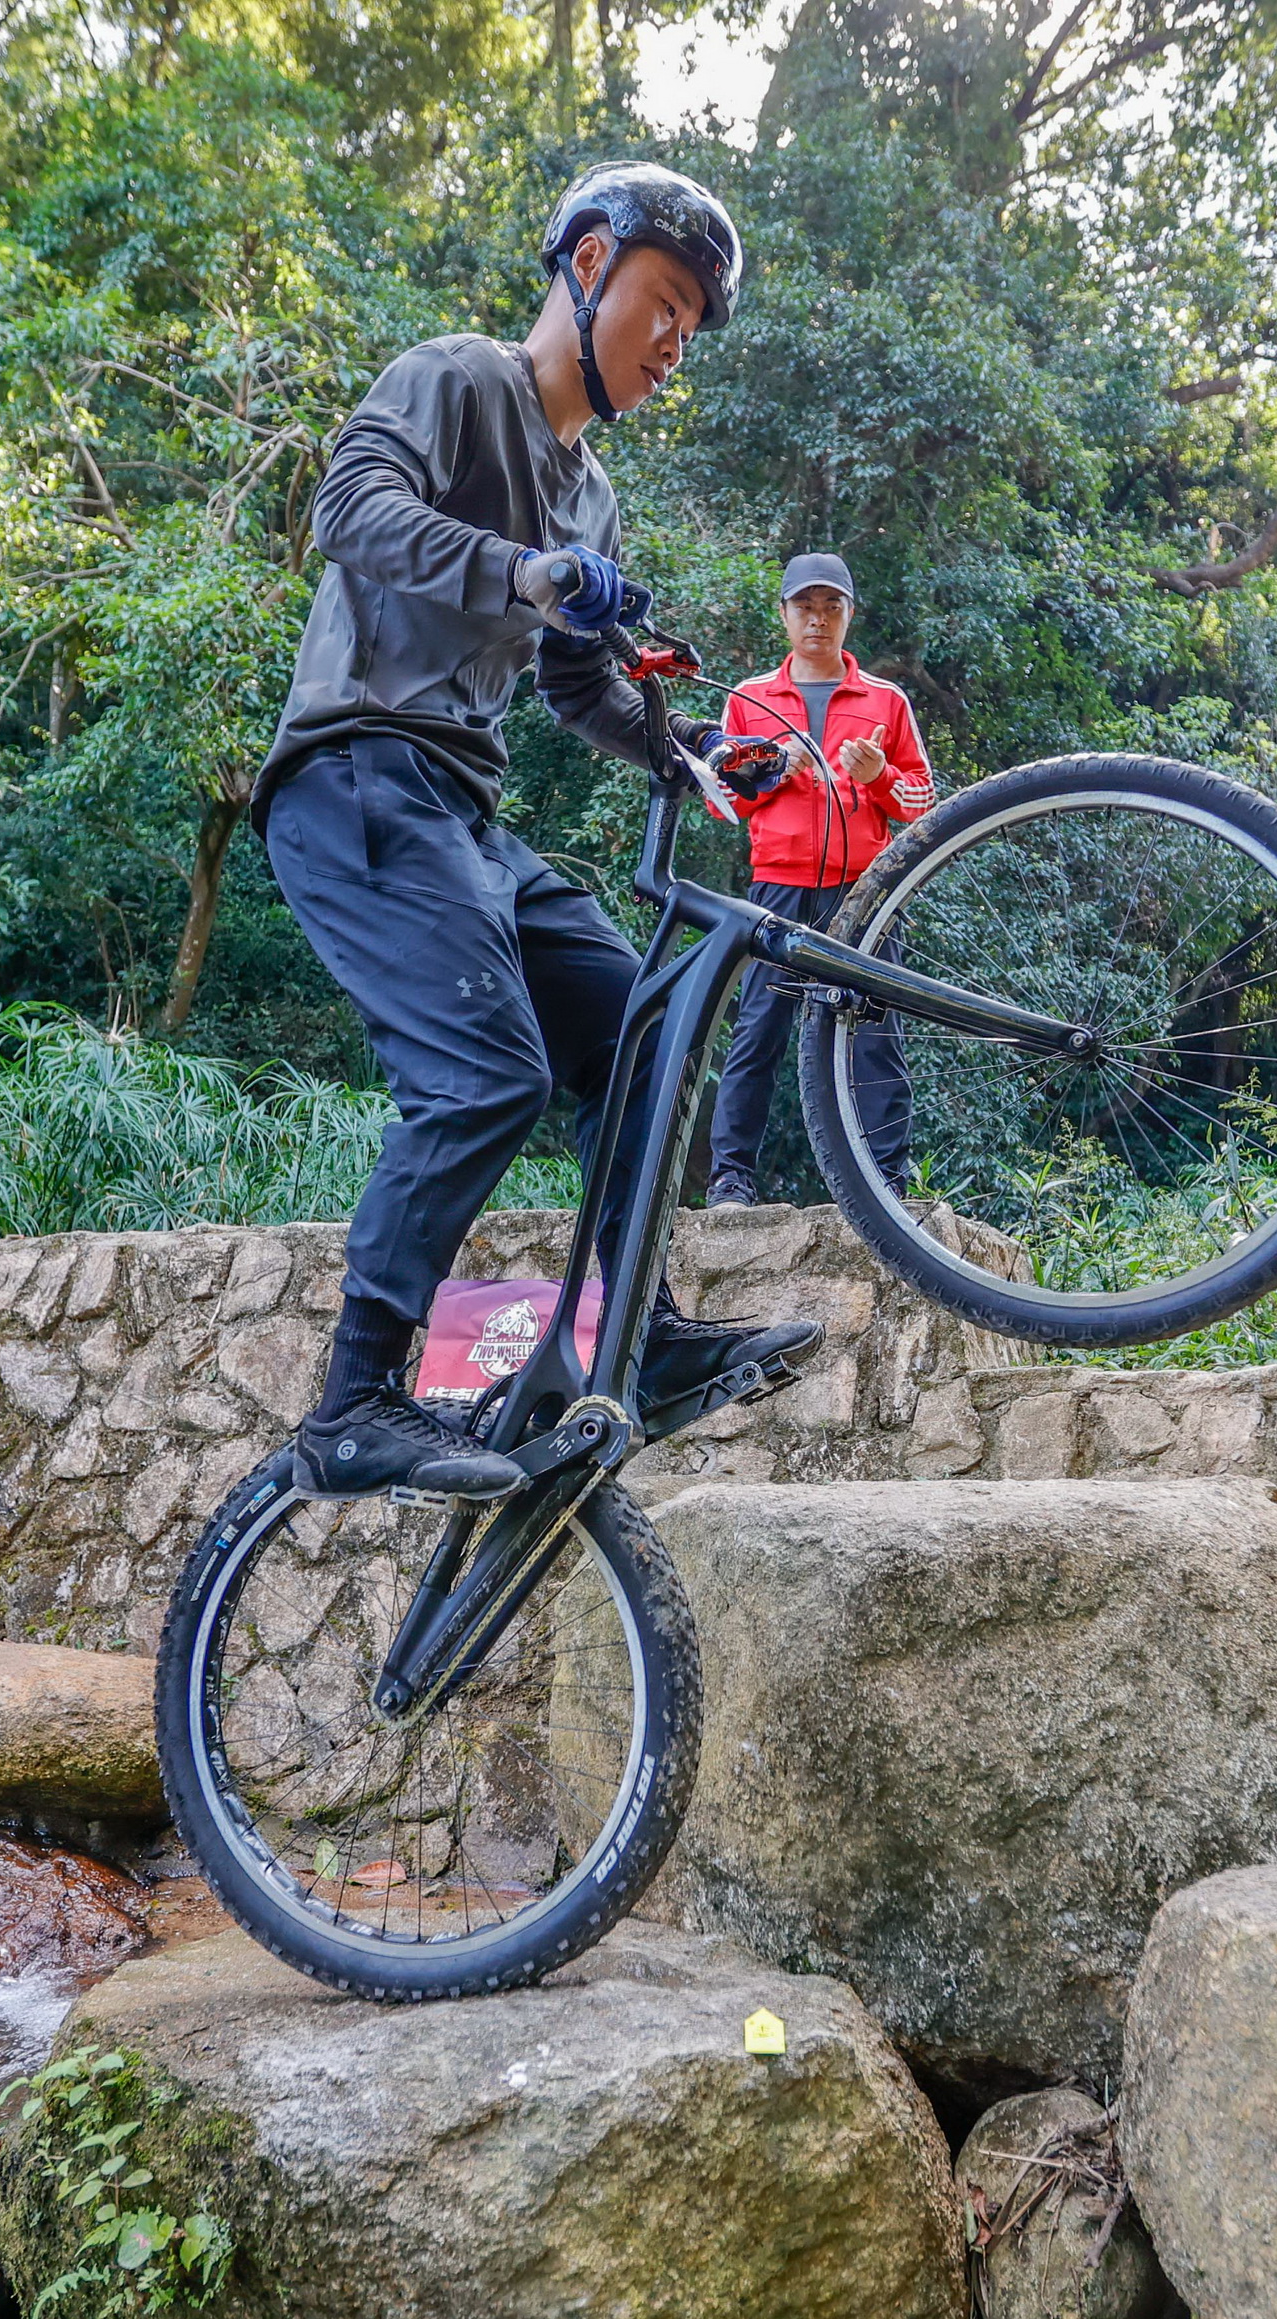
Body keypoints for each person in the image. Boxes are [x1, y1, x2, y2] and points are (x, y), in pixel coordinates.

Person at [249, 161, 816, 1501]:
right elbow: (350, 510)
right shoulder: (457, 378)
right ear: (590, 261)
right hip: (356, 776)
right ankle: (352, 1407)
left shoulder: (593, 495)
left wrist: (679, 752)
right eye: (666, 303)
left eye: (694, 327)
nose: (677, 343)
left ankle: (649, 1337)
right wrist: (525, 573)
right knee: (488, 1074)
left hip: (462, 811)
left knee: (642, 1034)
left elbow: (573, 682)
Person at [701, 551, 935, 1207]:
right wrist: (779, 771)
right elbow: (722, 798)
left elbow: (923, 805)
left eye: (832, 606)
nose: (818, 619)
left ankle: (887, 1181)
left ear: (849, 616)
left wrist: (878, 778)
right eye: (805, 606)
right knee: (758, 1031)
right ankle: (730, 1179)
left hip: (866, 895)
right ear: (784, 616)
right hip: (778, 887)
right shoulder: (749, 699)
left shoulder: (887, 701)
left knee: (875, 1033)